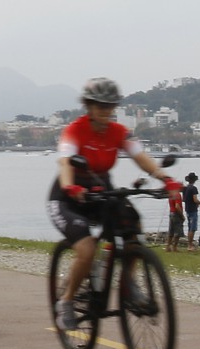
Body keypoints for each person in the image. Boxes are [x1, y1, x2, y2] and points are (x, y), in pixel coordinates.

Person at [47, 78, 180, 332]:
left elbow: (141, 158)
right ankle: (65, 302)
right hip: (68, 196)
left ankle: (128, 284)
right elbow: (65, 162)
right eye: (99, 105)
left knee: (132, 226)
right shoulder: (75, 130)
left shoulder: (118, 132)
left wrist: (166, 179)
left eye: (109, 106)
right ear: (88, 106)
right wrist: (71, 187)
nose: (105, 111)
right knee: (86, 249)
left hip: (100, 190)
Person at [165, 183, 185, 252]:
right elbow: (177, 206)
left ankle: (168, 246)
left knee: (171, 231)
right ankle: (174, 247)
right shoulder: (178, 195)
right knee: (178, 231)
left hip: (171, 213)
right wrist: (182, 215)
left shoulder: (171, 194)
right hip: (176, 214)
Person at [182, 172, 200, 240]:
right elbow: (195, 199)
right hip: (193, 210)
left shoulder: (185, 188)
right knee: (193, 228)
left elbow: (183, 200)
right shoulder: (194, 188)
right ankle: (190, 244)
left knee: (189, 227)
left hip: (187, 209)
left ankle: (189, 243)